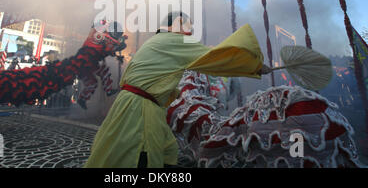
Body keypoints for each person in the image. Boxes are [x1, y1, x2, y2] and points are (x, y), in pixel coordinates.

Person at [84, 11, 269, 168]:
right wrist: (255, 65)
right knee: (138, 154)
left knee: (164, 149)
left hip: (136, 105)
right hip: (140, 109)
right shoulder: (173, 40)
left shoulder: (158, 40)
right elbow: (212, 57)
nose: (190, 32)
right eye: (188, 26)